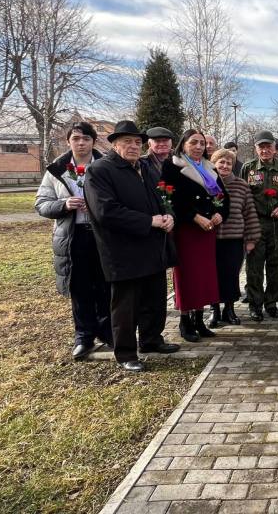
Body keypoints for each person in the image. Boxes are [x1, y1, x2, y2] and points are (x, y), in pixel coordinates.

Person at [84, 120, 179, 372]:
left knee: (154, 298)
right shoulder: (100, 171)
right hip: (123, 250)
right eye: (127, 142)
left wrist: (168, 215)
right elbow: (106, 211)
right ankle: (126, 352)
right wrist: (148, 221)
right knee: (126, 305)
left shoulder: (146, 169)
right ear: (114, 144)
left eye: (137, 142)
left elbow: (162, 197)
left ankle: (151, 339)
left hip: (152, 246)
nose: (133, 146)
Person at [35, 121, 112, 360]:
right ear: (68, 141)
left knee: (106, 284)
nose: (81, 143)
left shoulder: (106, 166)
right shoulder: (56, 170)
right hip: (73, 236)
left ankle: (108, 332)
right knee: (79, 287)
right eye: (76, 138)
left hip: (102, 236)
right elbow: (41, 204)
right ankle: (84, 336)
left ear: (93, 141)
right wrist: (63, 205)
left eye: (86, 138)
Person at [161, 129, 230, 342]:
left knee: (204, 276)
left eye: (202, 143)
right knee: (187, 275)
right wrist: (194, 217)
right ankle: (185, 320)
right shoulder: (172, 166)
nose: (199, 146)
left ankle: (199, 319)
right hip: (187, 229)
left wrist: (220, 213)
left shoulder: (209, 167)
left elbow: (223, 196)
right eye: (194, 142)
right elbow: (170, 198)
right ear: (183, 145)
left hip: (208, 229)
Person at [242, 130, 278, 320]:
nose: (265, 150)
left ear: (274, 149)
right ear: (256, 149)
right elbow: (242, 196)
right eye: (261, 147)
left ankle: (271, 302)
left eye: (268, 147)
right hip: (255, 224)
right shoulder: (248, 168)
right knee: (254, 267)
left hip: (277, 226)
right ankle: (255, 305)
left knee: (276, 266)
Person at [208, 148, 261, 327]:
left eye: (228, 163)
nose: (224, 165)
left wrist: (252, 238)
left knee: (231, 275)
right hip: (211, 238)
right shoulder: (206, 183)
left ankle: (229, 309)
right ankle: (214, 310)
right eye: (221, 162)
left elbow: (249, 212)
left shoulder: (241, 185)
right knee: (213, 275)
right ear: (214, 163)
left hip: (234, 238)